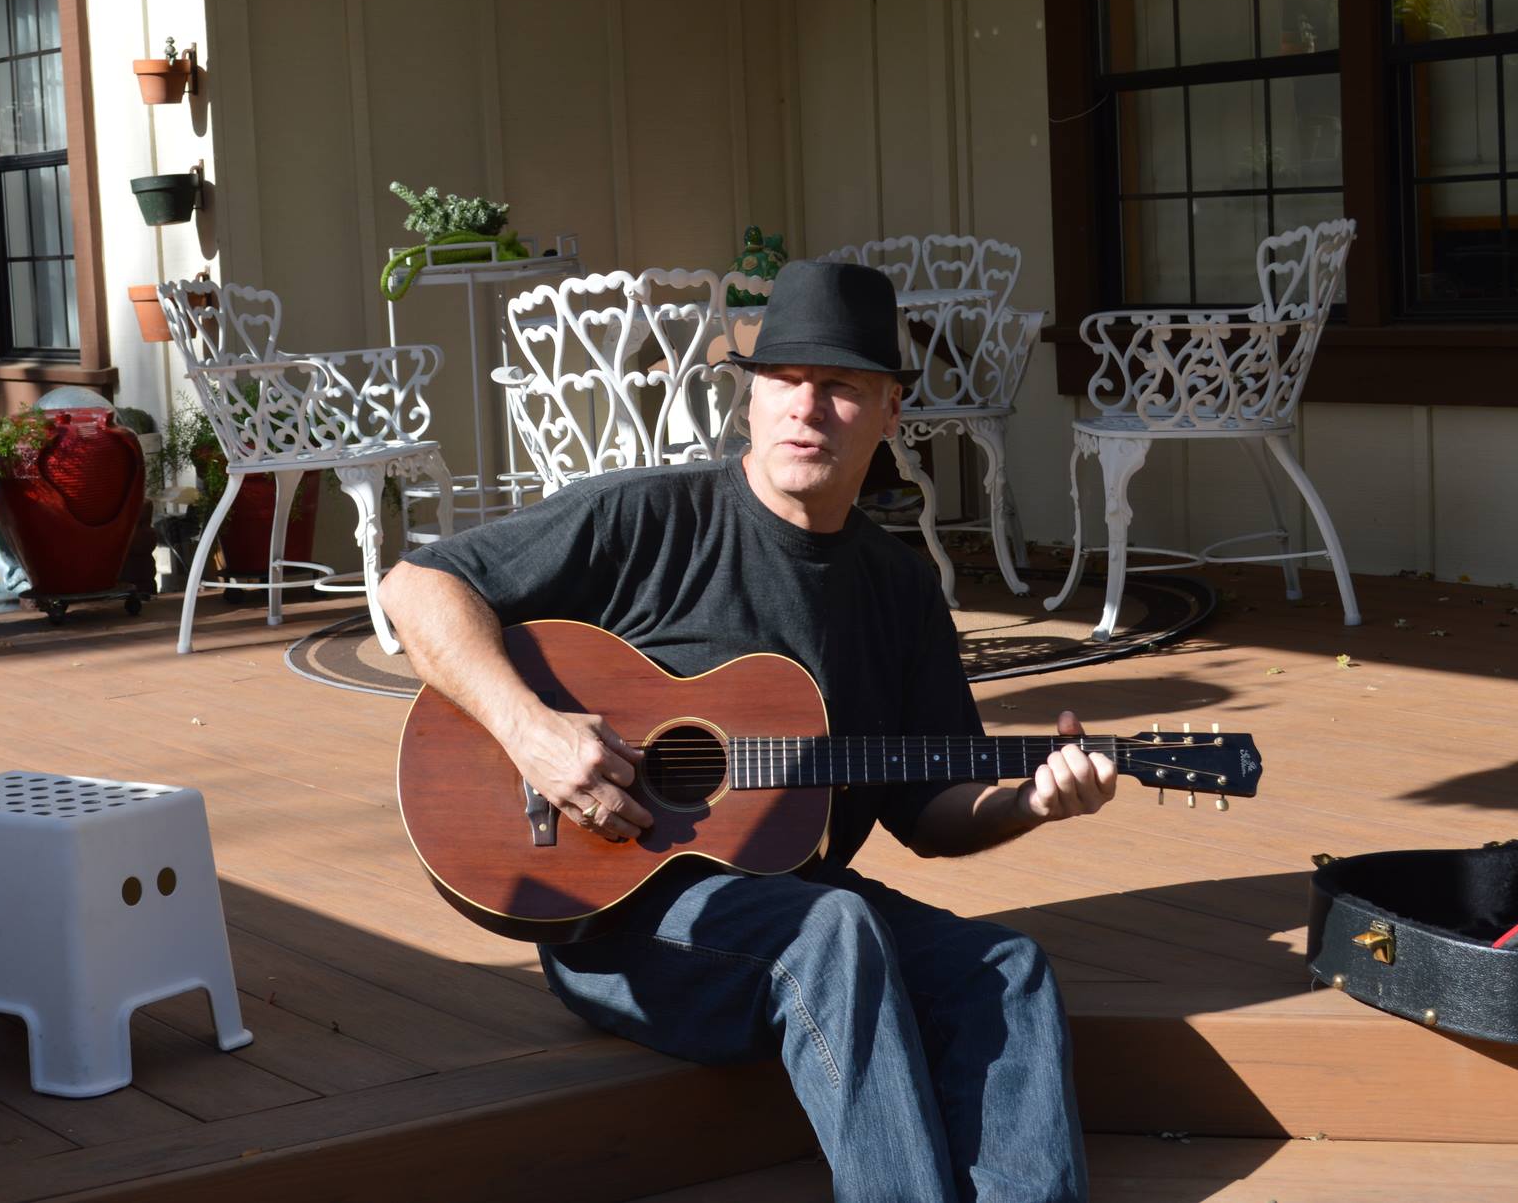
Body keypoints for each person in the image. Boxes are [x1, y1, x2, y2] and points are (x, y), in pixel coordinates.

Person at [376, 260, 1113, 1203]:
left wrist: (1028, 800)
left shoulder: (899, 588)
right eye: (785, 381)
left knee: (1005, 971)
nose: (807, 409)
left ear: (891, 413)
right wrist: (534, 734)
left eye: (842, 388)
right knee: (836, 928)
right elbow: (416, 587)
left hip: (793, 903)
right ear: (751, 400)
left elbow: (929, 808)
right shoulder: (648, 518)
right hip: (622, 921)